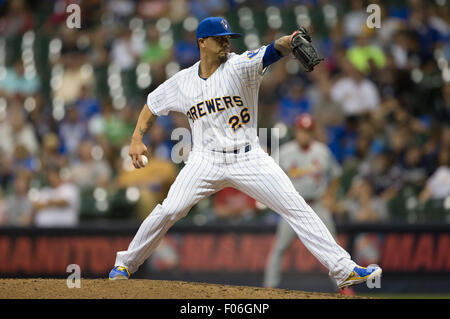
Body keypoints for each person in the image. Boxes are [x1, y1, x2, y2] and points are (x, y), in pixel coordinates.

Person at [109, 17, 382, 290]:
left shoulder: (241, 65)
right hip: (204, 160)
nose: (227, 42)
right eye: (220, 38)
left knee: (296, 207)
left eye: (229, 37)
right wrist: (136, 138)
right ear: (202, 42)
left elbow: (272, 50)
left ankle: (343, 269)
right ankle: (125, 264)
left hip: (249, 157)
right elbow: (152, 104)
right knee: (168, 210)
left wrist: (289, 40)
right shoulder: (182, 82)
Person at [263, 114, 343, 288]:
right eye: (301, 131)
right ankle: (269, 288)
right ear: (296, 131)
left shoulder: (322, 151)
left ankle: (343, 288)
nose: (304, 134)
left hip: (318, 205)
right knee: (279, 248)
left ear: (312, 132)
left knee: (333, 247)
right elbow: (269, 176)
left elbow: (336, 174)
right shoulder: (284, 152)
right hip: (293, 207)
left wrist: (330, 195)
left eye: (307, 131)